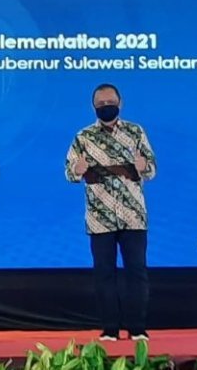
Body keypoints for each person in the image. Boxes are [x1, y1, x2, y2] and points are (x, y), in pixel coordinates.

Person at [65, 84, 156, 342]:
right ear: (93, 106)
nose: (106, 107)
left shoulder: (135, 132)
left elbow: (152, 170)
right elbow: (69, 172)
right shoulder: (83, 137)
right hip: (99, 217)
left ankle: (137, 328)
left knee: (136, 272)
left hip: (133, 215)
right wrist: (77, 170)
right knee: (104, 274)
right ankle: (110, 329)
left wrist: (144, 166)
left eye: (110, 102)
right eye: (101, 104)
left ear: (120, 103)